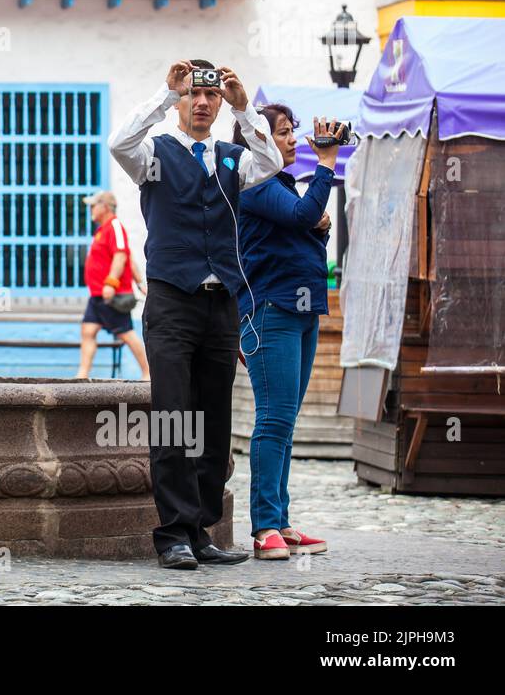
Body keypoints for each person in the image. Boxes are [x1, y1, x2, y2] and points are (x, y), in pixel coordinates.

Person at [109, 58, 282, 570]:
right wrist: (164, 94)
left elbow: (270, 163)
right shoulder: (154, 155)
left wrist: (246, 109)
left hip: (220, 304)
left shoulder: (233, 156)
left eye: (210, 97)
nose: (202, 103)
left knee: (212, 420)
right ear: (181, 104)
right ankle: (173, 534)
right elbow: (120, 142)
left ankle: (201, 528)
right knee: (172, 417)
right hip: (172, 302)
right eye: (193, 96)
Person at [234, 105, 344, 561]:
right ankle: (264, 529)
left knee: (286, 422)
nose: (293, 139)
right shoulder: (256, 184)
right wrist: (327, 164)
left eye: (292, 132)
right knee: (273, 420)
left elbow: (303, 230)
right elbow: (301, 218)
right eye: (283, 133)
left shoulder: (281, 187)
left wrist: (321, 224)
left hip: (302, 312)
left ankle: (280, 519)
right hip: (271, 312)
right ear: (259, 142)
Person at [75, 190, 149, 380]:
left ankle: (148, 372)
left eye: (94, 205)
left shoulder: (115, 226)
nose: (91, 208)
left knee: (126, 334)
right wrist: (139, 281)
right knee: (88, 330)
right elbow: (128, 257)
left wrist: (111, 283)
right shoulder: (103, 229)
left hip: (112, 294)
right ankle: (82, 375)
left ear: (104, 207)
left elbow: (122, 255)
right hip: (98, 294)